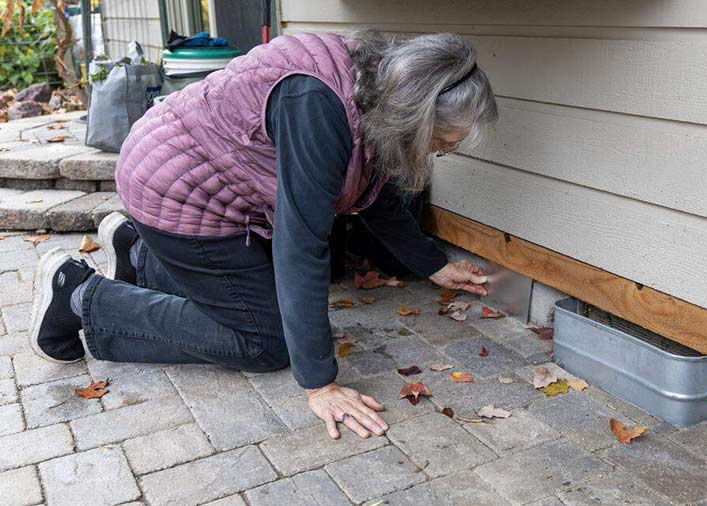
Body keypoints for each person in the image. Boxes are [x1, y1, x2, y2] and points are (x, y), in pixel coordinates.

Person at [28, 30, 498, 440]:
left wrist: (435, 265)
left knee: (272, 310)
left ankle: (139, 256)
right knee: (264, 341)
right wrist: (319, 381)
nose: (442, 152)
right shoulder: (318, 105)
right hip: (178, 190)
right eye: (443, 142)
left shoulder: (377, 81)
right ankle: (80, 299)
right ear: (415, 115)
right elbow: (302, 245)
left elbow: (373, 193)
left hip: (202, 182)